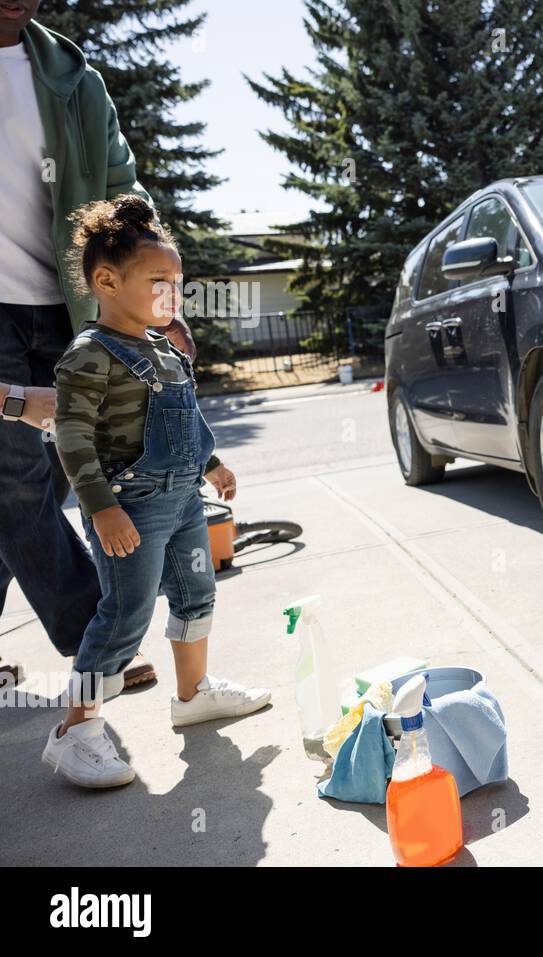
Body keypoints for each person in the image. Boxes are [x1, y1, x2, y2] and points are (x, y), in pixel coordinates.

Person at [41, 195, 270, 789]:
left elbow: (185, 419)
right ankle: (76, 729)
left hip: (185, 500)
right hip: (129, 507)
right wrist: (102, 508)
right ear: (107, 280)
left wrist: (212, 461)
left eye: (178, 282)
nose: (173, 293)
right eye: (159, 281)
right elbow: (72, 440)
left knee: (197, 592)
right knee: (124, 613)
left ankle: (193, 695)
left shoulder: (165, 348)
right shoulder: (89, 355)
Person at [0, 2, 177, 688]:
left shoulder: (72, 79)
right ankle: (95, 641)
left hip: (68, 305)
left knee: (39, 482)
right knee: (16, 482)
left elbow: (119, 191)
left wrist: (154, 293)